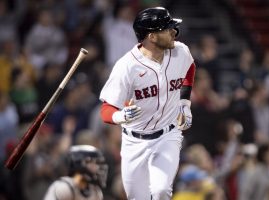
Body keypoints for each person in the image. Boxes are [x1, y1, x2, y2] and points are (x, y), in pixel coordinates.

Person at [99, 6, 196, 200]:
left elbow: (189, 70)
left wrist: (184, 103)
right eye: (167, 28)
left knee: (160, 191)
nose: (173, 32)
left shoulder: (181, 52)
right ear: (151, 37)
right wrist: (120, 116)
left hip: (167, 135)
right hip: (134, 141)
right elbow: (106, 109)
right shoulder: (126, 66)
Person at [43, 145, 108, 200]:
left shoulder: (95, 191)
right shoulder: (64, 187)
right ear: (78, 164)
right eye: (91, 162)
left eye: (97, 163)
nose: (96, 167)